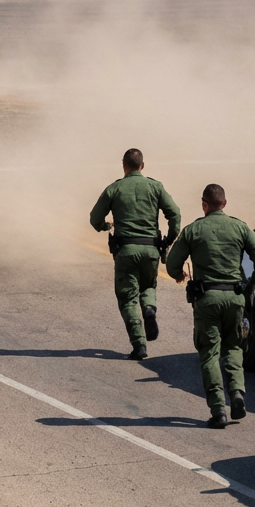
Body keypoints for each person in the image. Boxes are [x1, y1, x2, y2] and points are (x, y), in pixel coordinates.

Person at [164, 184, 255, 429]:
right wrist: (251, 284)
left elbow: (171, 264)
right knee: (234, 346)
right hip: (235, 298)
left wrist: (180, 274)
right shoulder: (240, 227)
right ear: (224, 203)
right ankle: (237, 393)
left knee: (209, 352)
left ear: (204, 205)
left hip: (207, 299)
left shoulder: (193, 230)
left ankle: (218, 409)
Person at [89, 148, 182, 361]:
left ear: (124, 165)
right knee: (148, 286)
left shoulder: (114, 189)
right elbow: (174, 213)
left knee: (127, 298)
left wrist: (105, 226)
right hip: (151, 249)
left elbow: (95, 218)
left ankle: (139, 344)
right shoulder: (155, 187)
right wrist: (169, 239)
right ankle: (149, 307)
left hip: (126, 251)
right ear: (142, 165)